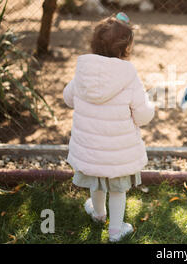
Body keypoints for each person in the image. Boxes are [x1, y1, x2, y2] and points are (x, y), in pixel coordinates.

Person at [63, 13, 154, 242]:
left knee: (97, 180)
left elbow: (68, 98)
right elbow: (142, 115)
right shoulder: (129, 75)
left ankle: (98, 213)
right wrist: (150, 106)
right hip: (118, 151)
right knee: (117, 189)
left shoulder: (83, 72)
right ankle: (115, 230)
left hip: (90, 148)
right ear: (126, 48)